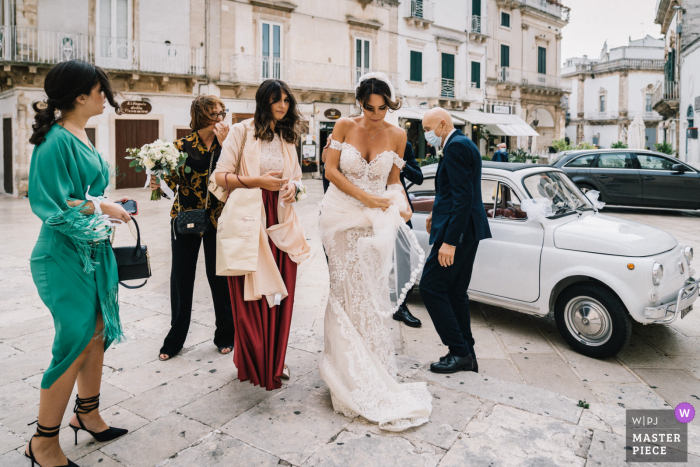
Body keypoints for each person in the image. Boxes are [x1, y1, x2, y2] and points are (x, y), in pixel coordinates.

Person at [27, 59, 130, 467]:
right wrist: (99, 204)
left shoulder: (82, 134)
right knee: (73, 340)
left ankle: (87, 412)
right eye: (101, 89)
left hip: (92, 248)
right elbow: (48, 205)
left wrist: (106, 206)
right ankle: (43, 442)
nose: (107, 96)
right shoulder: (53, 140)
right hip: (62, 254)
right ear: (80, 96)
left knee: (97, 332)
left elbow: (83, 194)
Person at [319, 72, 432, 431]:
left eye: (382, 108)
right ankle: (343, 368)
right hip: (339, 217)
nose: (375, 115)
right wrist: (366, 197)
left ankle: (372, 367)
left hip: (374, 220)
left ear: (390, 105)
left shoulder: (399, 136)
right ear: (359, 104)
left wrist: (401, 205)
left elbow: (394, 181)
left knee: (369, 291)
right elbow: (331, 170)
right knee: (344, 290)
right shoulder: (342, 127)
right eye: (369, 108)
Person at [211, 79, 310, 390]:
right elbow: (219, 177)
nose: (282, 106)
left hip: (281, 221)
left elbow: (298, 179)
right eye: (276, 101)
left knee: (281, 295)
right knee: (250, 297)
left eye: (286, 101)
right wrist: (257, 182)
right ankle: (254, 361)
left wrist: (294, 187)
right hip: (248, 220)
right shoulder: (242, 131)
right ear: (262, 102)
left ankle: (275, 359)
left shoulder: (288, 135)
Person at [153, 96, 236, 361]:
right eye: (215, 114)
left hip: (218, 219)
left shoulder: (230, 144)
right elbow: (169, 183)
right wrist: (158, 183)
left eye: (223, 113)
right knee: (181, 278)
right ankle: (174, 339)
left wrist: (225, 145)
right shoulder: (180, 146)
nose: (221, 118)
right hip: (186, 218)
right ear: (202, 116)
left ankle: (225, 334)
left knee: (219, 278)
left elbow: (237, 173)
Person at [419, 107, 492, 374]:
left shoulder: (456, 147)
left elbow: (463, 198)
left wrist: (450, 241)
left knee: (430, 287)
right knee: (455, 292)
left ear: (441, 124)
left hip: (459, 232)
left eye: (428, 129)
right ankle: (467, 351)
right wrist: (433, 215)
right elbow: (453, 192)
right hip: (468, 229)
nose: (427, 135)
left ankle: (459, 351)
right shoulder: (462, 143)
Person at [392, 141, 423, 328]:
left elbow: (418, 178)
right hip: (370, 207)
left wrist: (402, 164)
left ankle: (401, 306)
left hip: (400, 208)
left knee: (404, 259)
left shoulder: (404, 144)